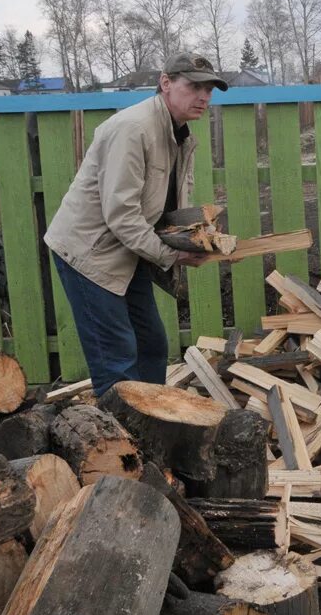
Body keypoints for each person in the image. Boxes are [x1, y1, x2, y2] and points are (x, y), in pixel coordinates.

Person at [44, 52, 228, 397]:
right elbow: (122, 215)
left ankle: (154, 421)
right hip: (91, 254)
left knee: (152, 344)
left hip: (129, 251)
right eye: (194, 86)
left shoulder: (179, 135)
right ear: (166, 83)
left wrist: (194, 239)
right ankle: (124, 441)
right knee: (117, 358)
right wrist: (171, 256)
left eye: (209, 89)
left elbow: (165, 206)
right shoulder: (133, 129)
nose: (204, 97)